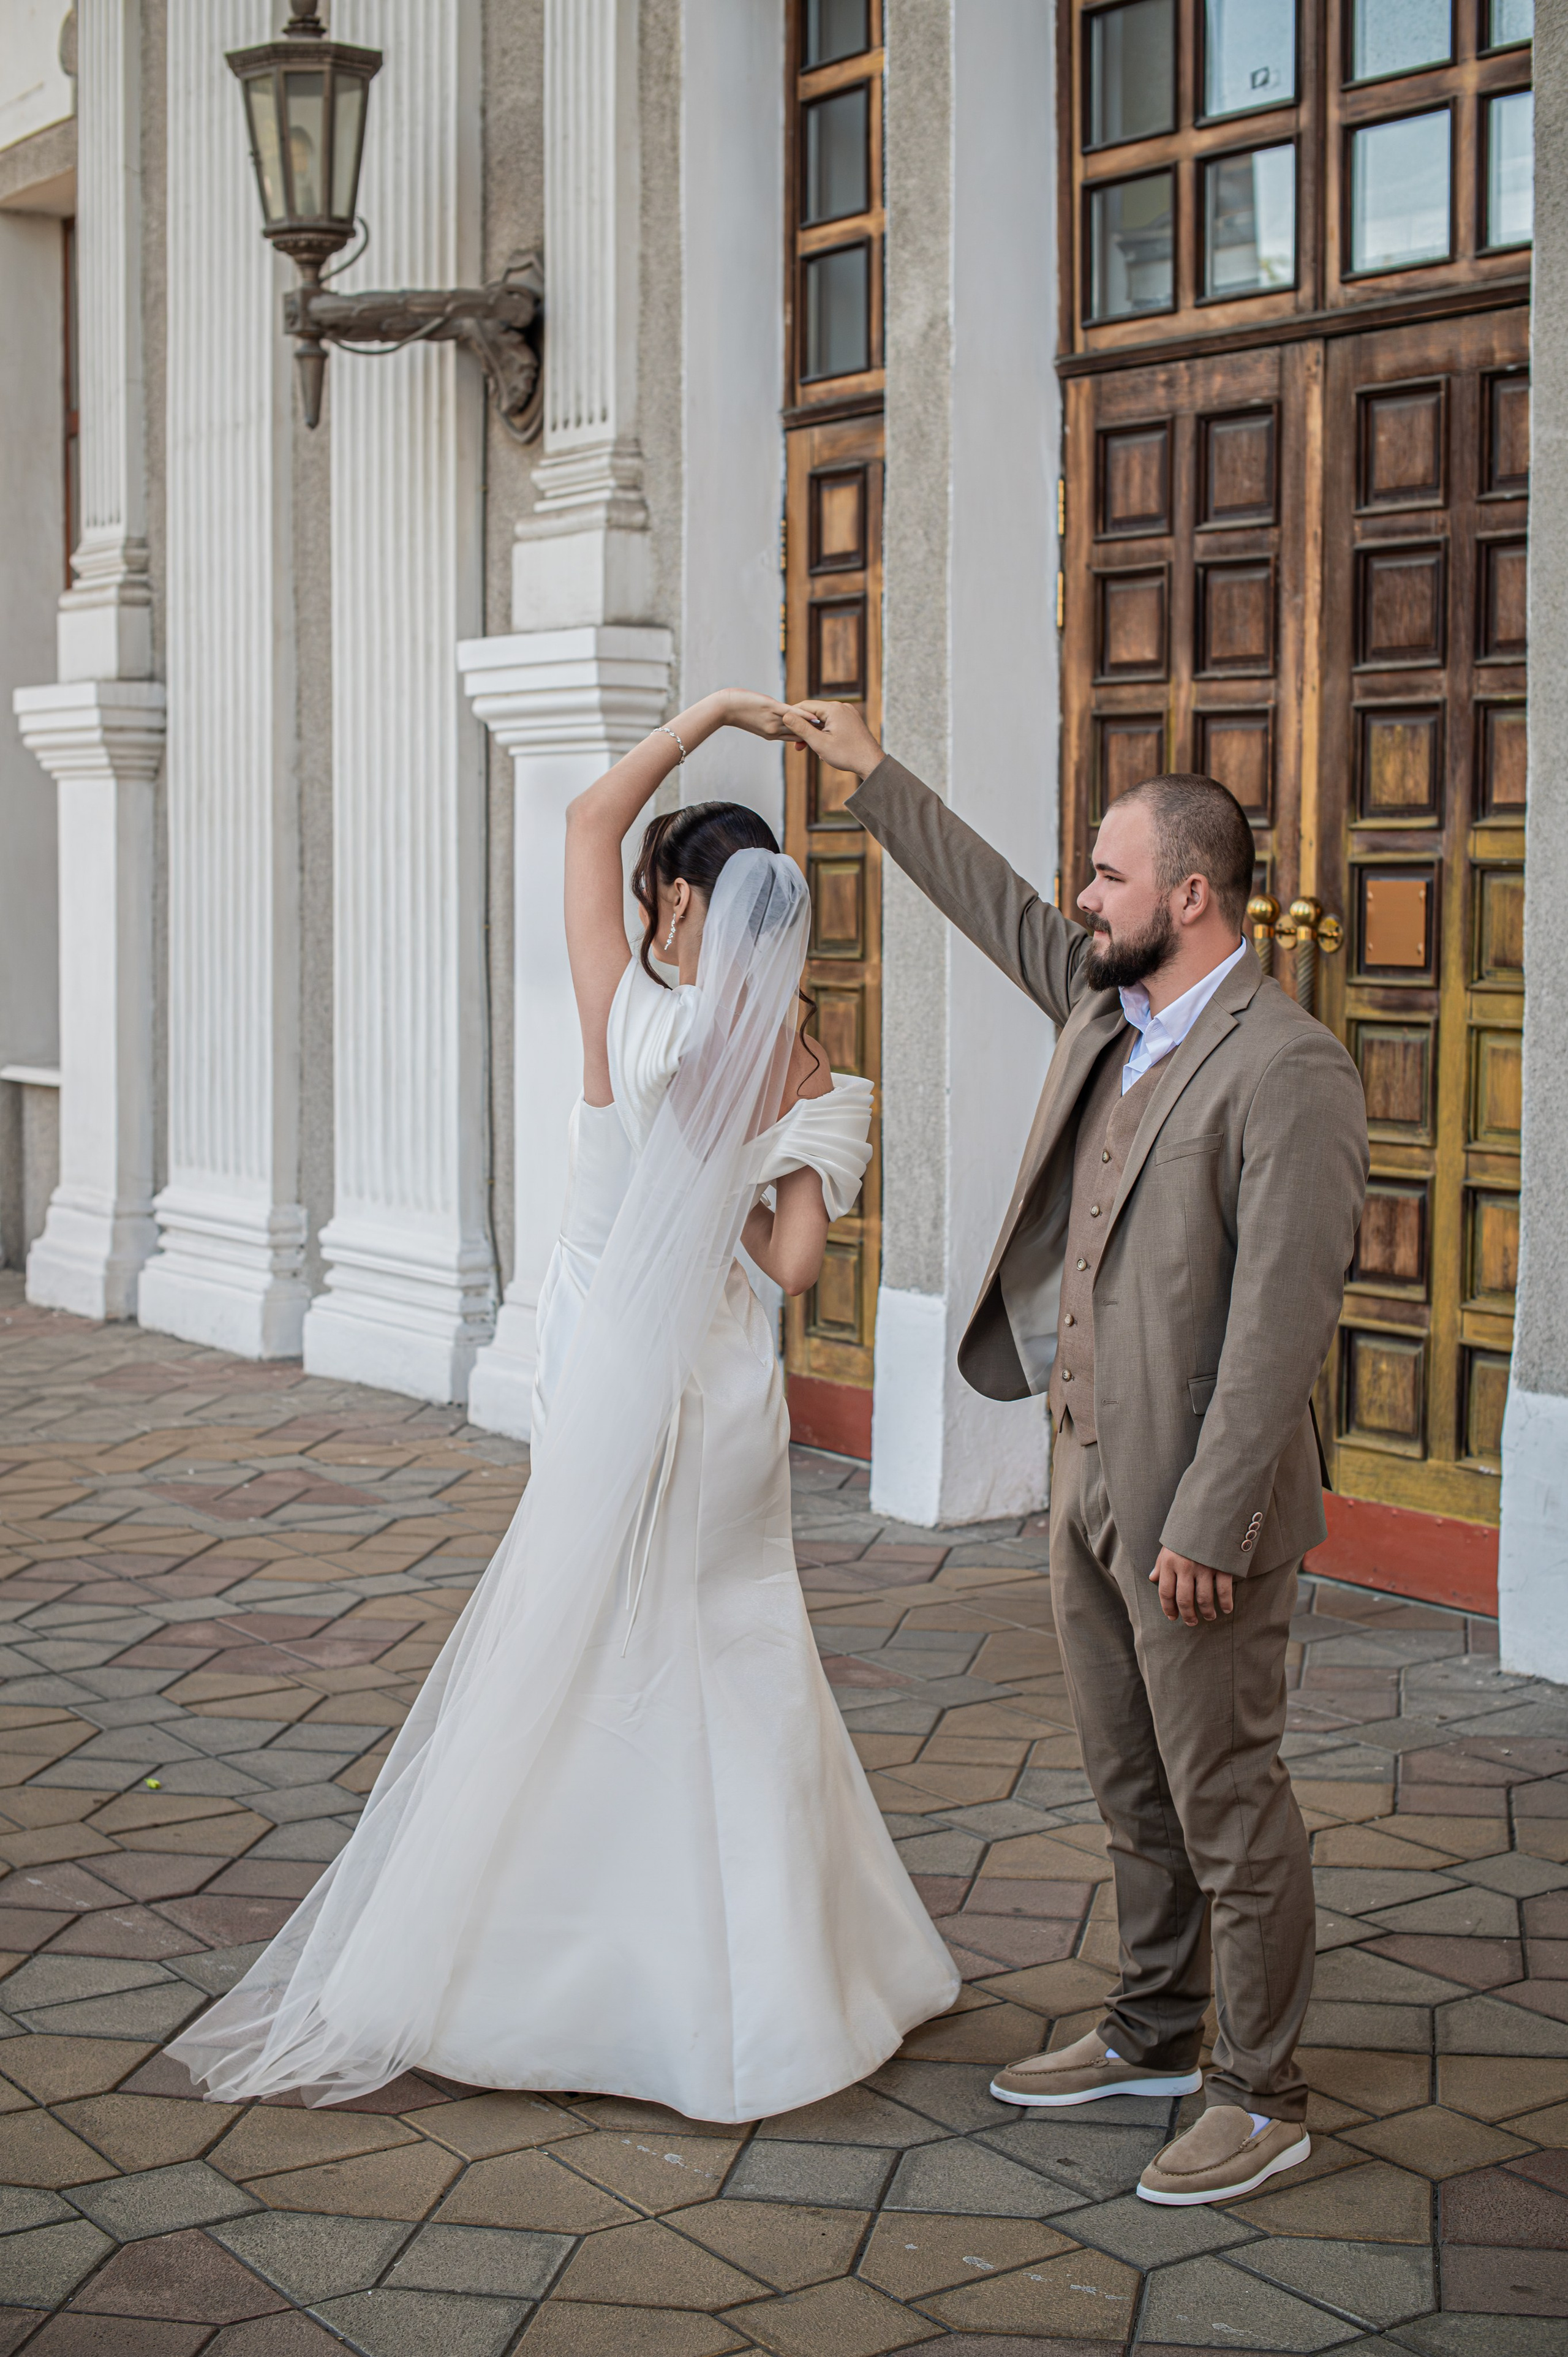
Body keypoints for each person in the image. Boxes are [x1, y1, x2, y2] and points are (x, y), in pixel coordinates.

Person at [170, 688, 958, 2121]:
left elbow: (587, 817)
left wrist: (712, 712)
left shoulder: (630, 1019)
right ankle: (788, 1989)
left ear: (671, 898)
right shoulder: (815, 1072)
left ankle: (532, 1968)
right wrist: (719, 1194)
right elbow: (784, 1265)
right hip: (721, 1398)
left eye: (662, 886)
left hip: (607, 1378)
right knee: (739, 1642)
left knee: (581, 1649)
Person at [783, 697, 1368, 2209]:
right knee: (1129, 1784)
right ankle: (1156, 2030)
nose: (1081, 901)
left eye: (1106, 877)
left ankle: (1261, 2090)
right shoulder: (1104, 1003)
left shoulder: (1284, 1067)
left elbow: (1276, 1323)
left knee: (1225, 1796)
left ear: (1188, 895)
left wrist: (1212, 1519)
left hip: (1197, 1501)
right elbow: (998, 907)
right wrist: (871, 776)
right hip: (1082, 1475)